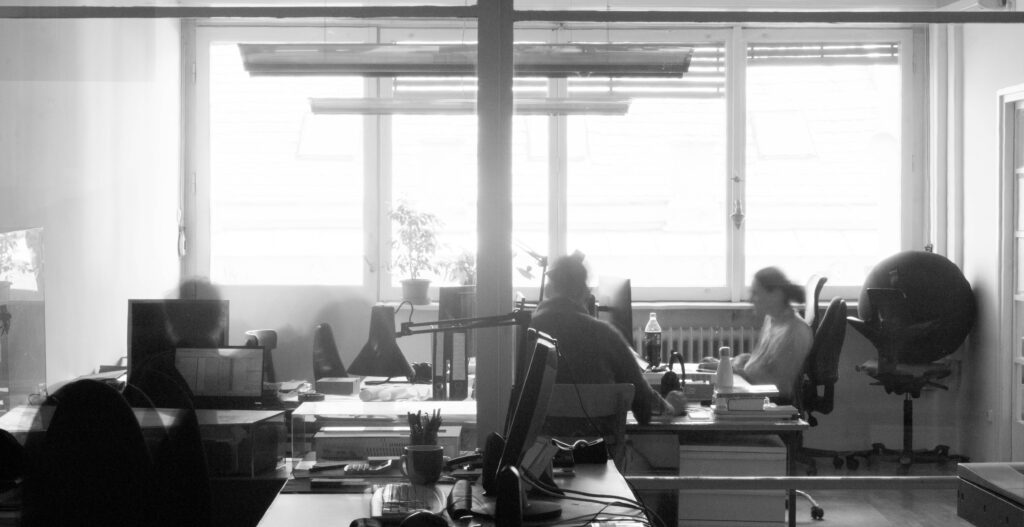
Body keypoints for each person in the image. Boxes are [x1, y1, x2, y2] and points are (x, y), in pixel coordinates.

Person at [529, 252, 684, 425]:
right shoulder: (604, 334)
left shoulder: (529, 331)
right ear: (585, 293)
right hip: (598, 440)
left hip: (542, 440)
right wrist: (671, 406)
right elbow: (644, 407)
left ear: (548, 290)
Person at [701, 266, 813, 401]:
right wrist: (726, 364)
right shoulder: (771, 319)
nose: (751, 299)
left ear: (776, 295)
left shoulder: (796, 331)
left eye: (756, 293)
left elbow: (779, 387)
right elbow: (760, 364)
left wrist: (734, 371)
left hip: (772, 403)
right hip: (756, 394)